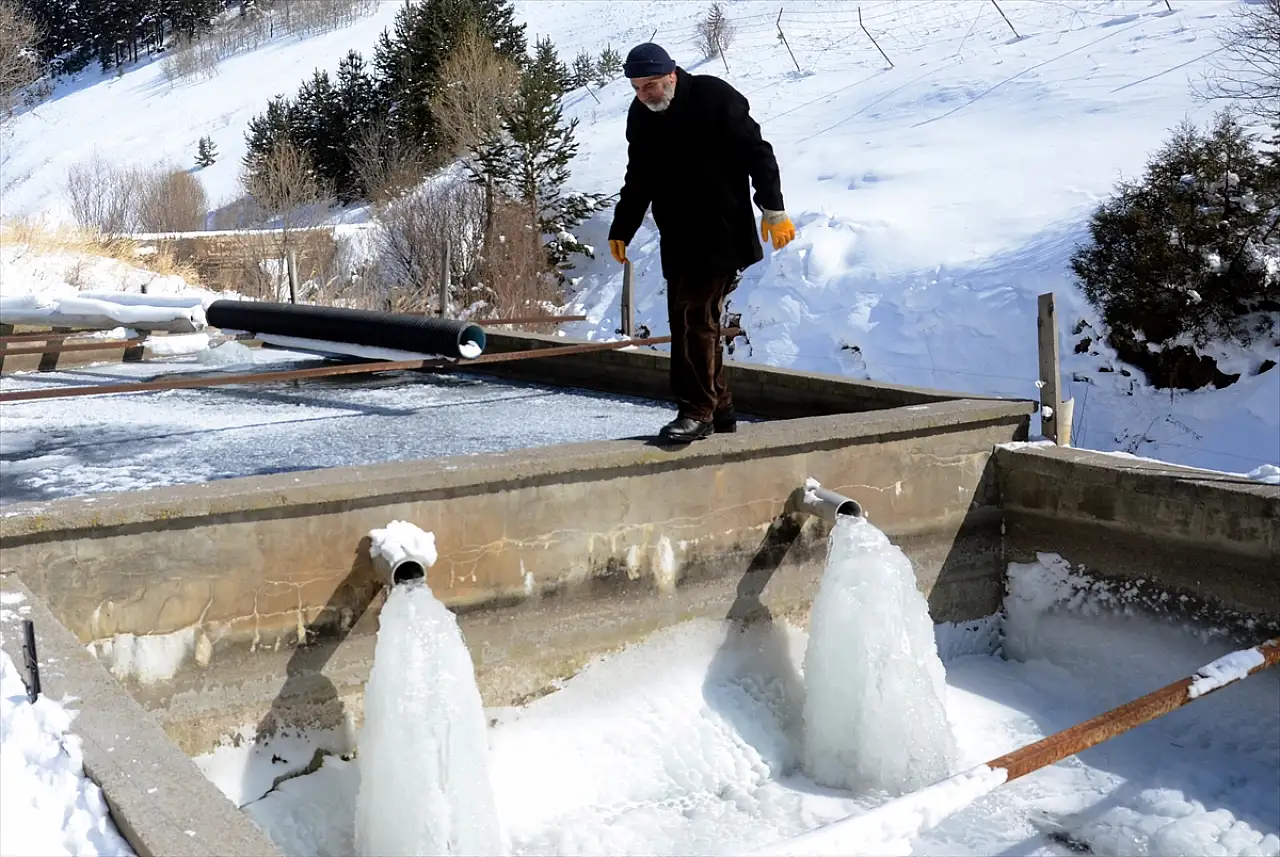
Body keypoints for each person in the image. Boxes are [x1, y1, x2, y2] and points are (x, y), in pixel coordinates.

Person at [607, 42, 795, 444]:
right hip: (677, 236)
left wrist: (773, 208)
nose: (646, 95)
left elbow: (758, 153)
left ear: (672, 74)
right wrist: (622, 228)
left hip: (722, 232)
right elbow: (638, 177)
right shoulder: (641, 116)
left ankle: (697, 411)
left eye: (652, 85)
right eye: (638, 88)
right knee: (691, 320)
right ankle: (721, 408)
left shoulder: (714, 97)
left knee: (694, 316)